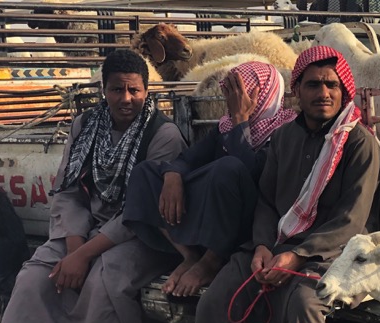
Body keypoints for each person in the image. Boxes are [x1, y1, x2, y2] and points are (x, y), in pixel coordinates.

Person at [159, 46, 380, 323]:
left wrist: (295, 254)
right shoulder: (284, 138)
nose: (323, 92)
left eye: (332, 85)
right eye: (313, 84)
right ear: (296, 90)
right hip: (272, 244)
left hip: (330, 253)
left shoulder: (359, 143)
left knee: (303, 305)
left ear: (344, 91)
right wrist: (262, 246)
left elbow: (351, 220)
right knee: (218, 295)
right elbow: (264, 201)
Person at [0, 49, 187, 323]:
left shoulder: (162, 134)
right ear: (104, 90)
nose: (126, 99)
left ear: (146, 91)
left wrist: (84, 255)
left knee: (107, 280)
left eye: (134, 90)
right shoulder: (86, 125)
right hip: (80, 231)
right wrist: (73, 248)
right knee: (31, 279)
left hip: (140, 234)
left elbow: (141, 211)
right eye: (117, 90)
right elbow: (66, 190)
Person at [123, 61, 296, 297]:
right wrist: (172, 174)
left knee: (228, 167)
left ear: (264, 93)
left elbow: (251, 171)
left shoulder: (284, 130)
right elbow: (189, 158)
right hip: (215, 217)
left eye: (241, 93)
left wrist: (240, 121)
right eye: (231, 93)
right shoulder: (225, 127)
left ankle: (211, 262)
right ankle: (190, 255)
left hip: (249, 223)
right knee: (145, 173)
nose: (234, 100)